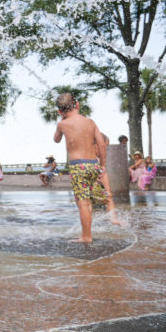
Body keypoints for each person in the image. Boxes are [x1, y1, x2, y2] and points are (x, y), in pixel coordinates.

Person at [53, 93, 108, 243]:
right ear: (77, 105)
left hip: (78, 166)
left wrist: (61, 121)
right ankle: (88, 231)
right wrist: (102, 164)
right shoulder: (90, 122)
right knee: (88, 200)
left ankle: (86, 236)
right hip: (93, 164)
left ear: (60, 112)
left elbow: (56, 139)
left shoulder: (62, 124)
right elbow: (101, 144)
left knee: (82, 202)